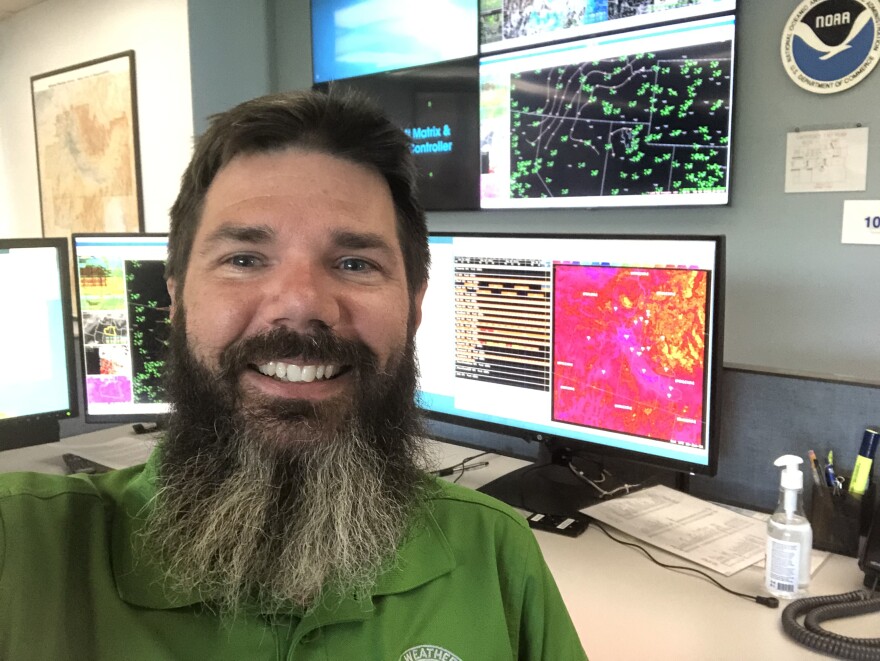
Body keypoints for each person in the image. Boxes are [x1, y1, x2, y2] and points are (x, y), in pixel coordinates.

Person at [0, 89, 587, 660]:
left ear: (415, 306)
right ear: (176, 299)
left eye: (355, 263)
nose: (302, 302)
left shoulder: (494, 551)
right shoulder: (26, 546)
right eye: (245, 259)